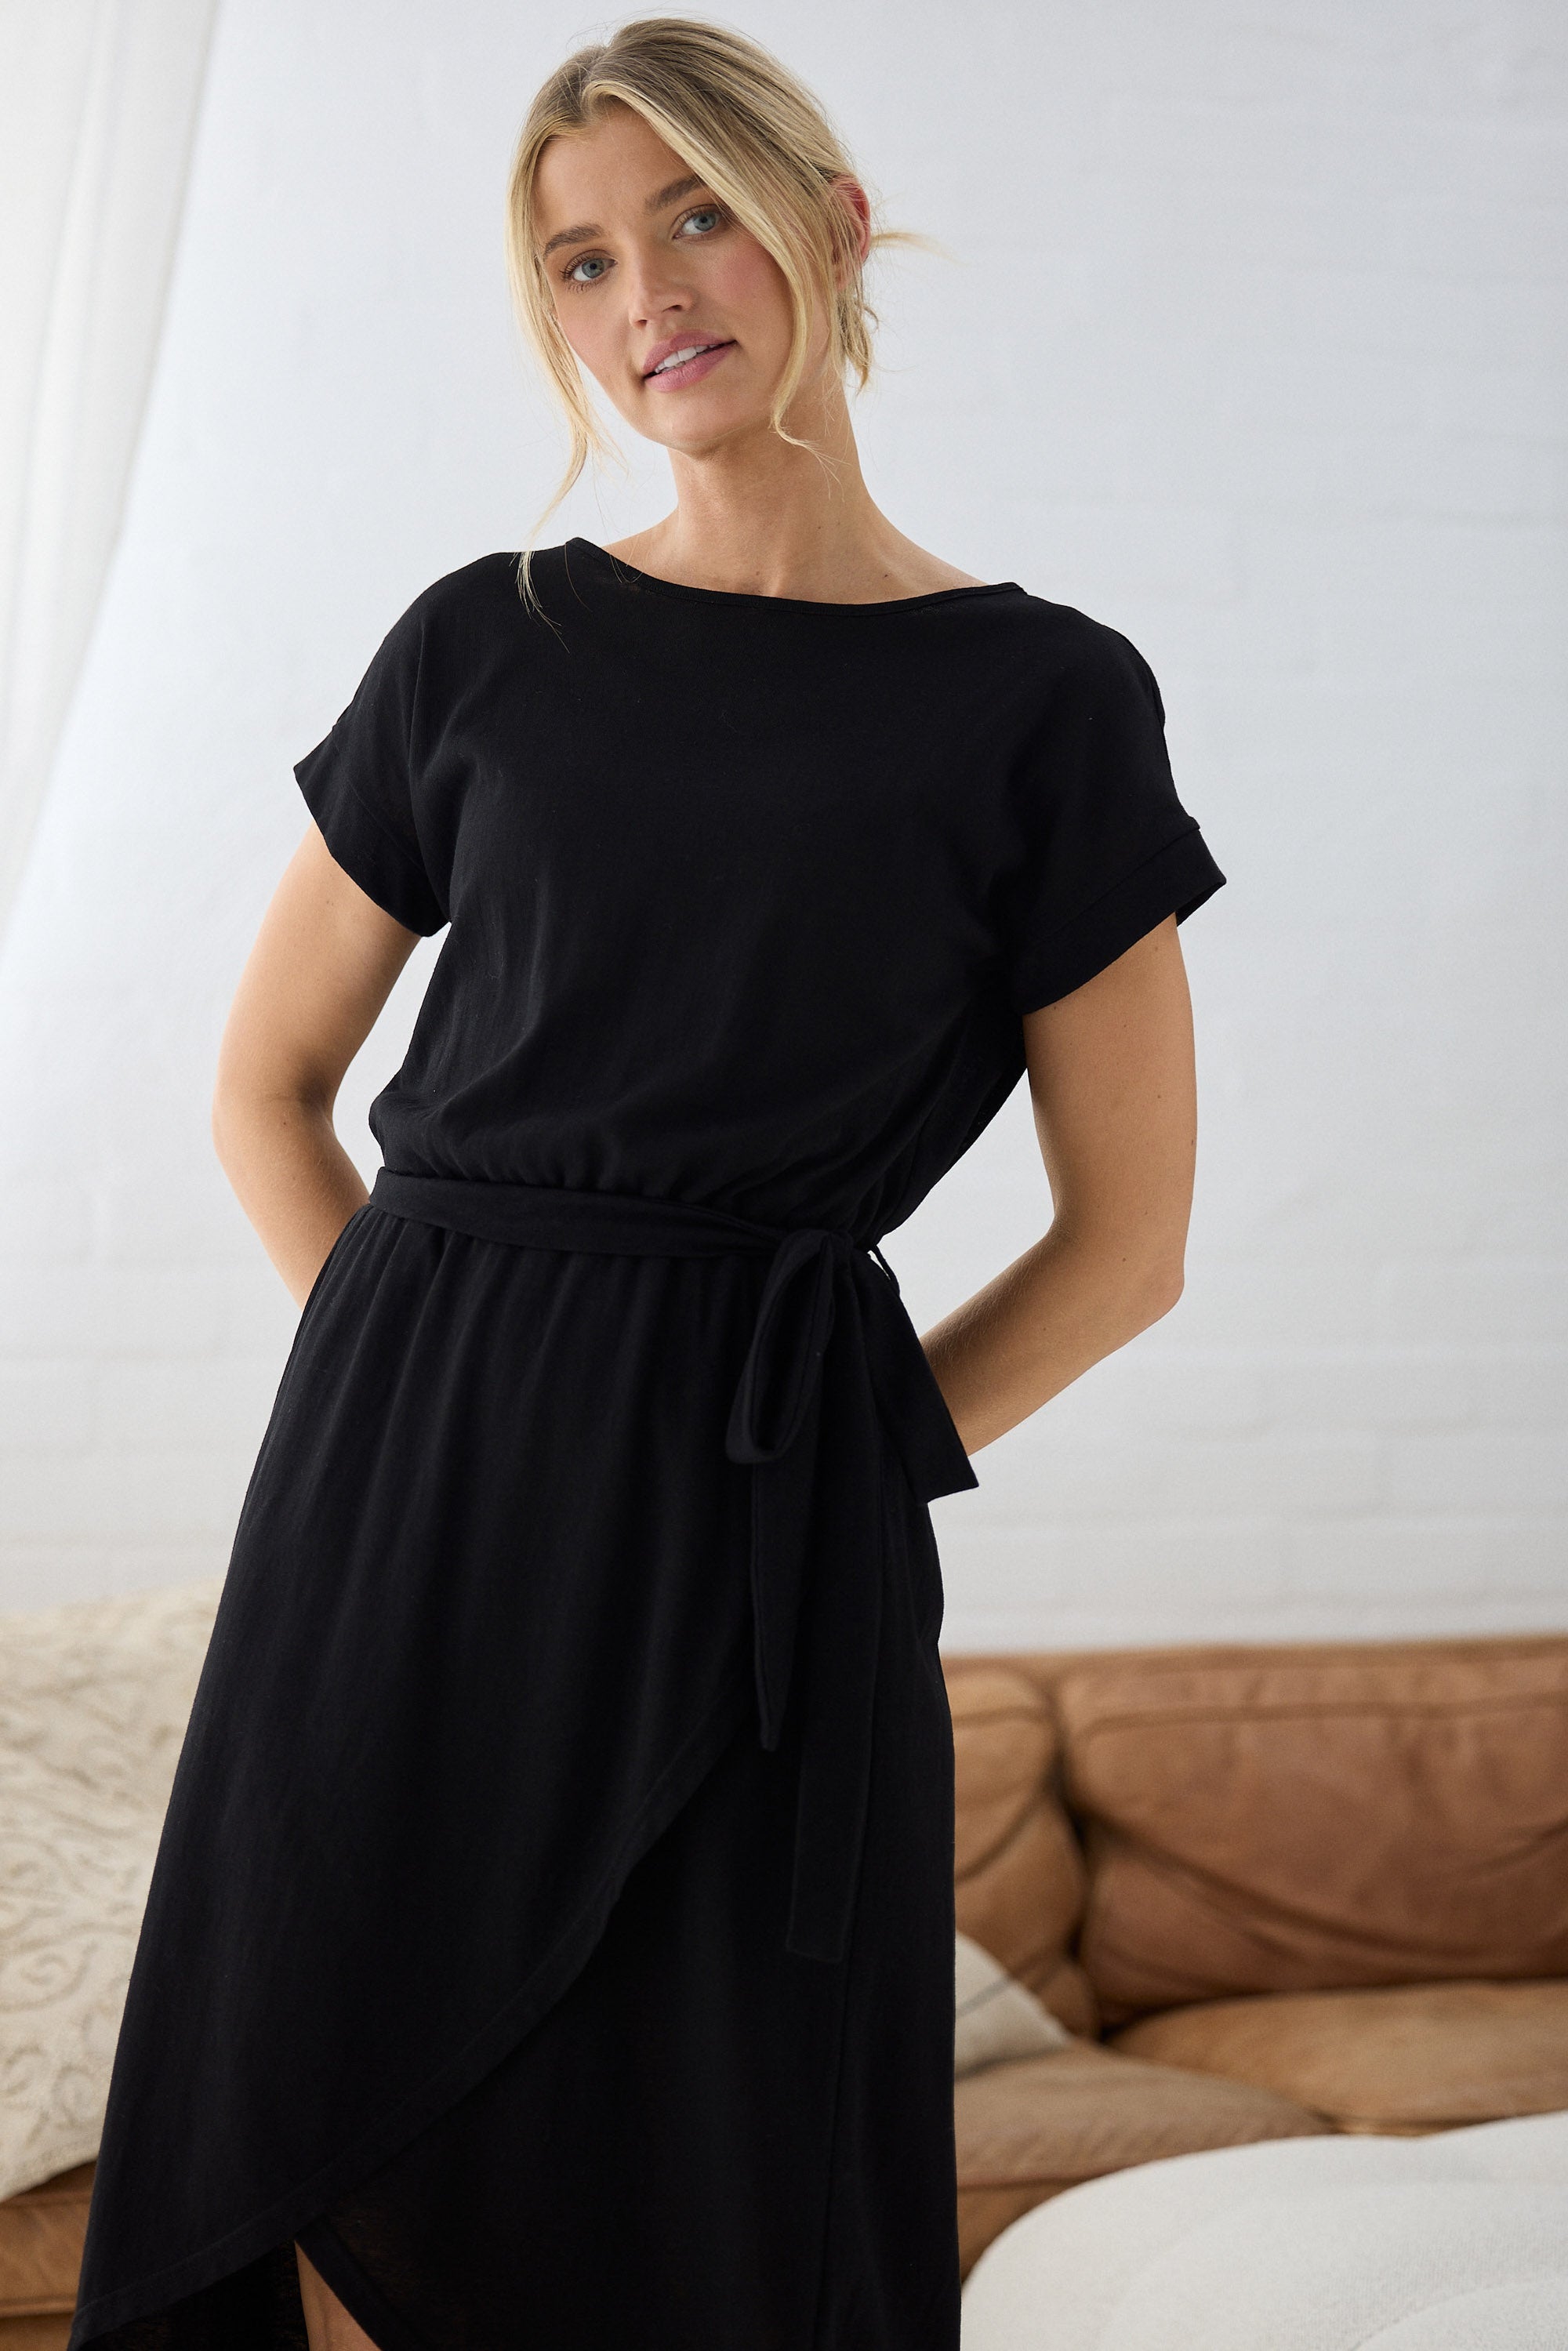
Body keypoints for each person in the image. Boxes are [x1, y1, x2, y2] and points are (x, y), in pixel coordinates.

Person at [67, 18, 1224, 2351]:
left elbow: (1129, 1250)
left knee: (734, 2172)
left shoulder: (1044, 700)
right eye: (580, 258)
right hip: (401, 1502)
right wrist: (420, 1412)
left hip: (770, 1537)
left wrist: (837, 1474)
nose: (648, 292)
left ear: (829, 223)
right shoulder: (483, 643)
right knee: (292, 2088)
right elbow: (268, 1088)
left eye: (695, 214)